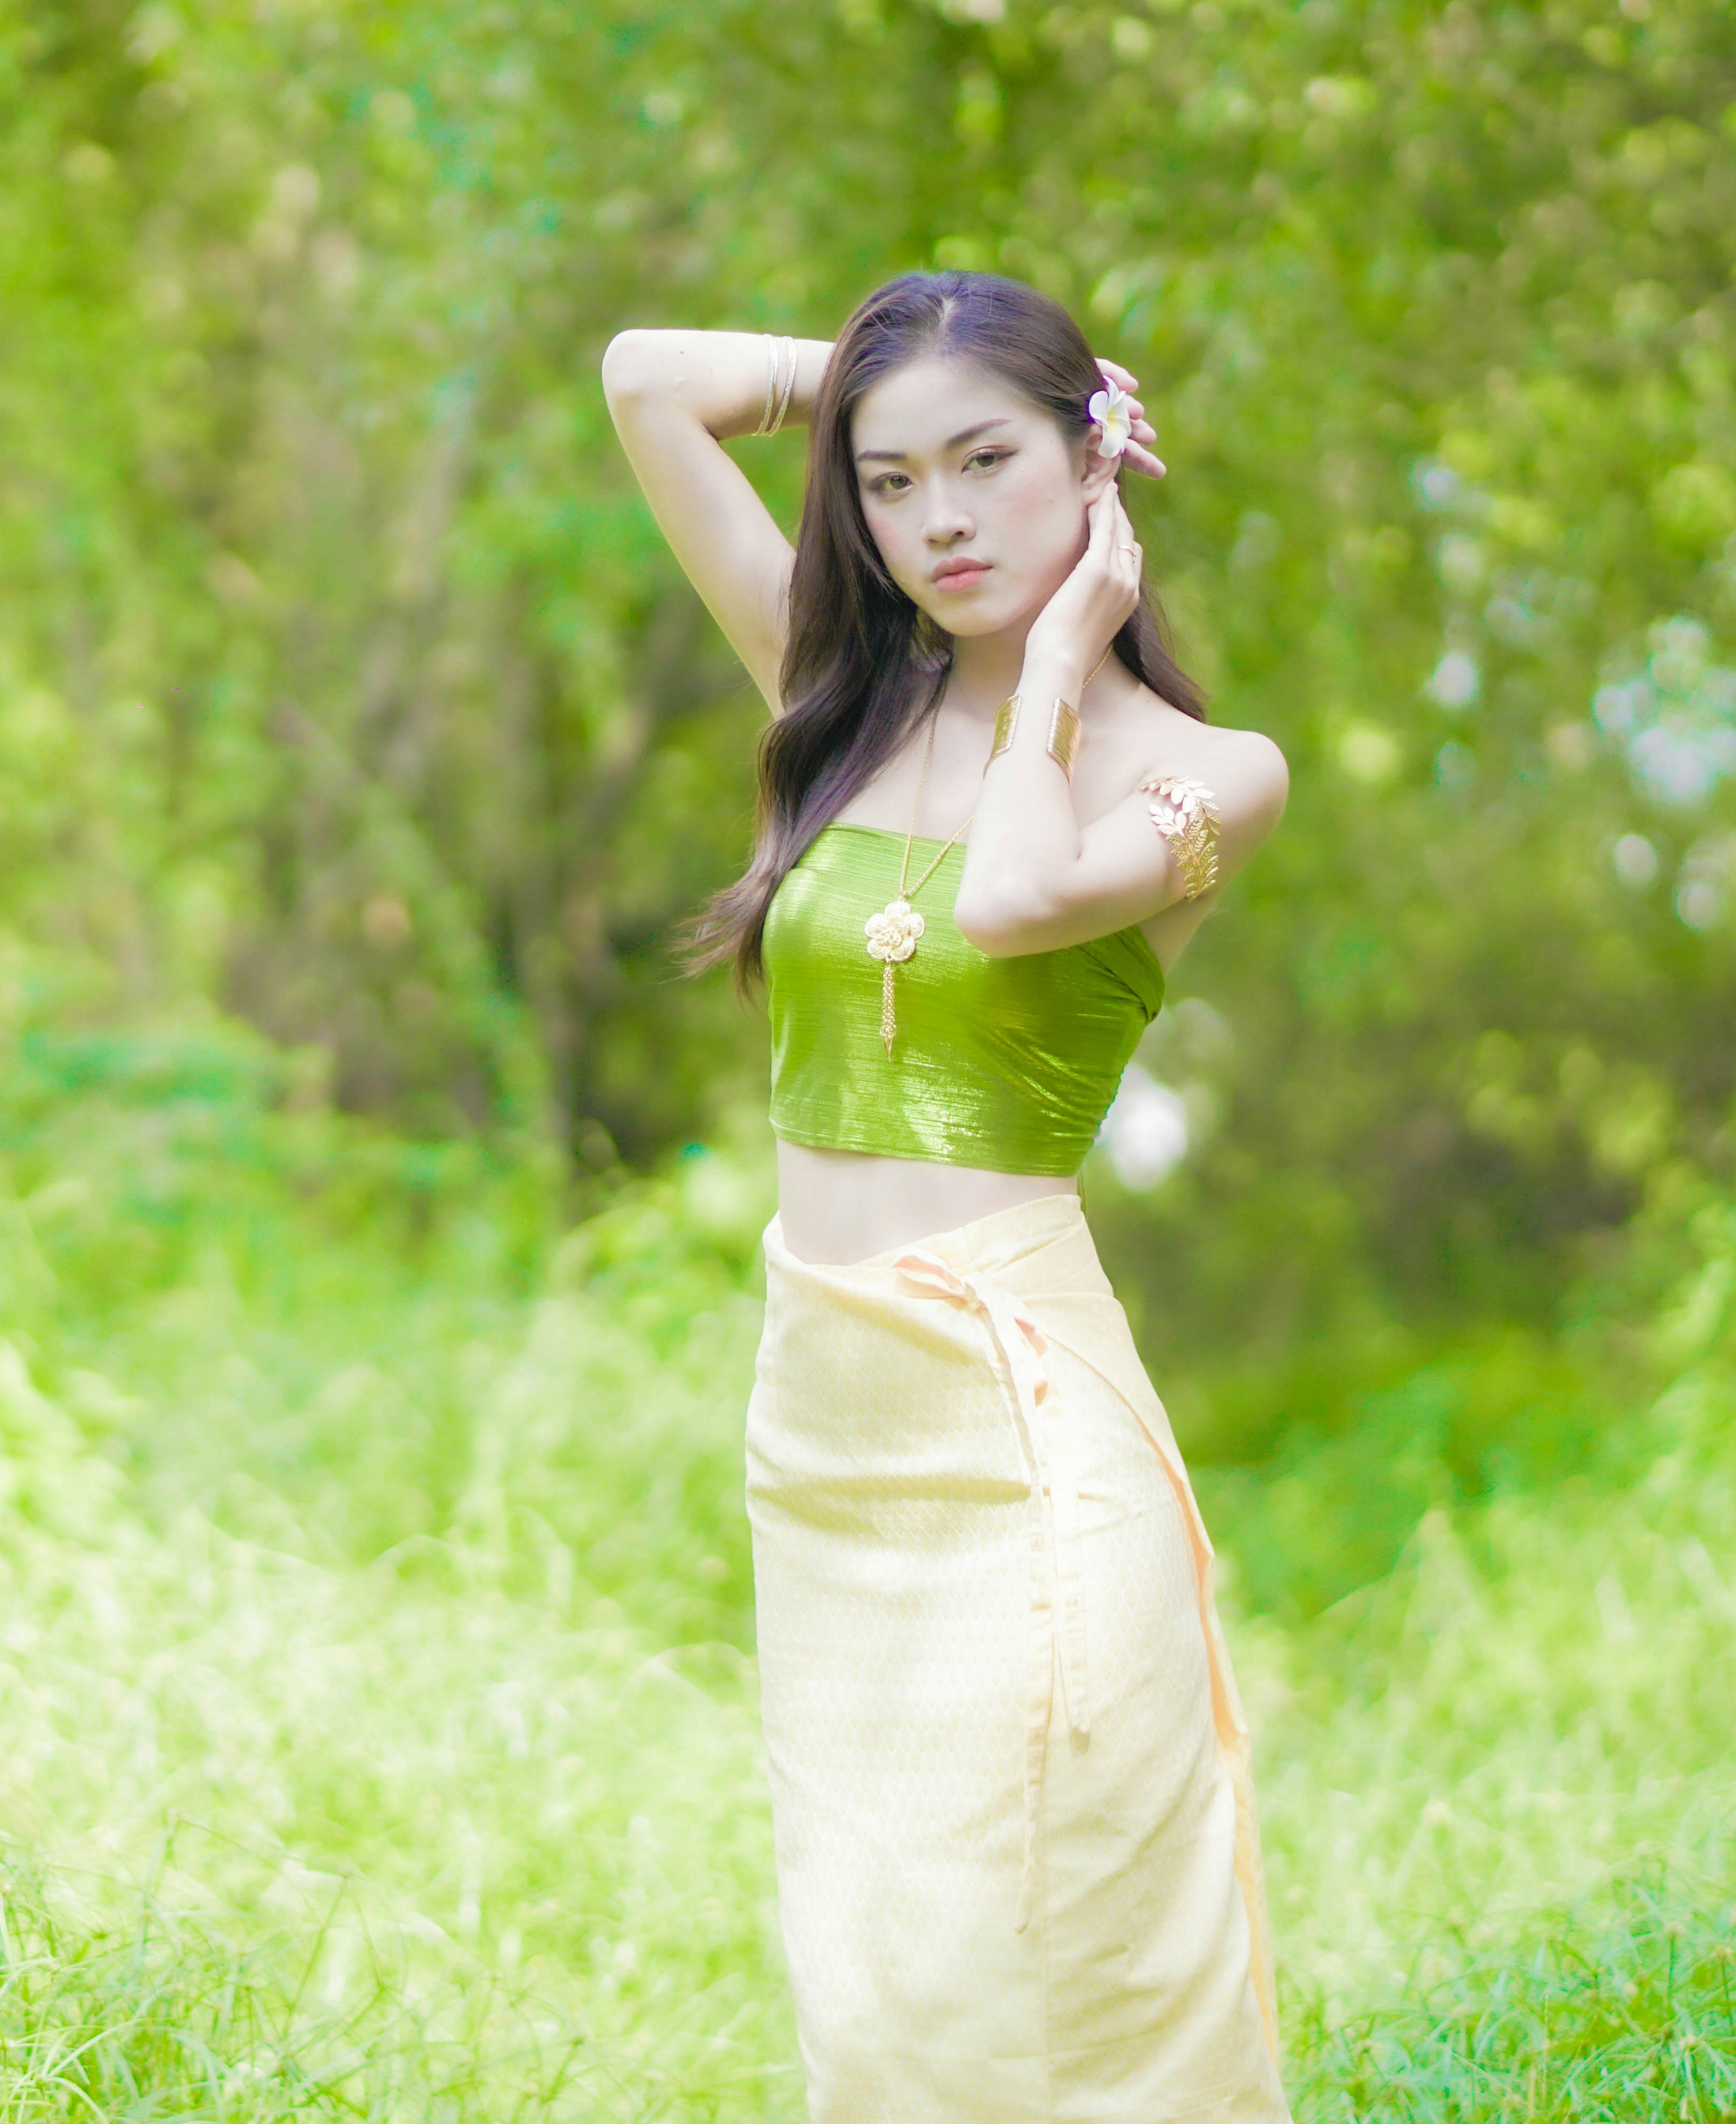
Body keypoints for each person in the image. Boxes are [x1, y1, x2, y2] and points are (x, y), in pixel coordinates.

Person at [601, 270, 1294, 2123]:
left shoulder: (1213, 775)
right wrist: (875, 375)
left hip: (1018, 1414)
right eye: (891, 482)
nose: (941, 521)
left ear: (1093, 463)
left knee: (1061, 1947)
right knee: (878, 1967)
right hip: (824, 1423)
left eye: (989, 462)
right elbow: (647, 377)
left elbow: (1006, 899)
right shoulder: (835, 700)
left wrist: (1056, 669)